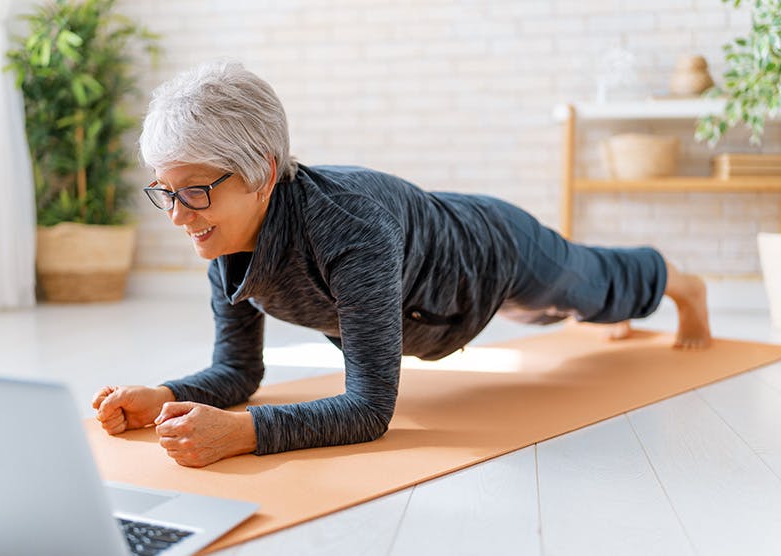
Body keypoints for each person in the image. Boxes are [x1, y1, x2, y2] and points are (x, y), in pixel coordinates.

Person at [92, 61, 712, 468]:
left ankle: (680, 282)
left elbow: (368, 410)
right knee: (557, 315)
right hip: (427, 281)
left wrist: (242, 434)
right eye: (166, 192)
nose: (178, 215)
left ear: (263, 175)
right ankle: (613, 313)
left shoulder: (350, 229)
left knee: (594, 290)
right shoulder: (221, 239)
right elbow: (237, 370)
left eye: (195, 191)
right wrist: (165, 395)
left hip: (493, 250)